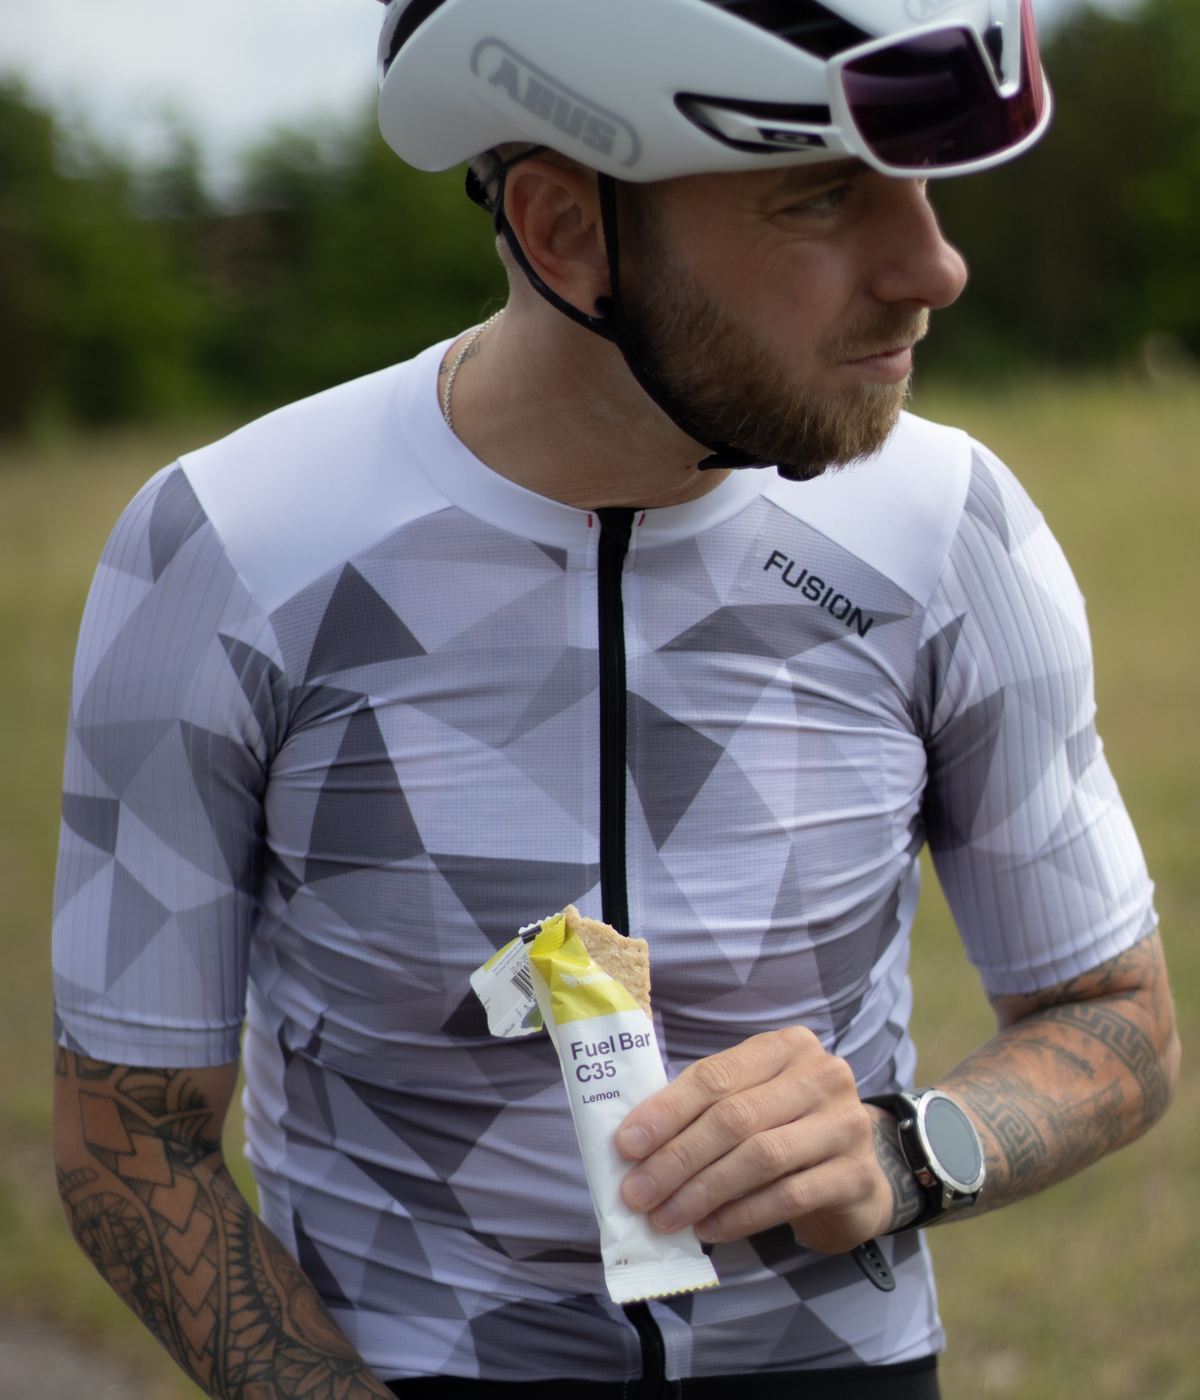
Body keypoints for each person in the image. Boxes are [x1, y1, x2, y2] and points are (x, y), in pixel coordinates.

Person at [52, 2, 1178, 1397]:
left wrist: (906, 1151)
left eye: (923, 187)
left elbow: (1116, 1014)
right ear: (567, 230)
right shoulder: (226, 550)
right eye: (824, 196)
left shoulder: (952, 531)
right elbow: (128, 1140)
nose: (934, 265)